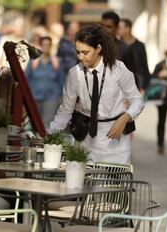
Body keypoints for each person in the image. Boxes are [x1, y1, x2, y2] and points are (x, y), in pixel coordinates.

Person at [49, 25, 144, 164]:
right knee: (85, 185)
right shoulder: (74, 74)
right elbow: (65, 111)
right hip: (85, 142)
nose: (80, 57)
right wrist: (50, 135)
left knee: (115, 185)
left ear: (98, 48)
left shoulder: (118, 69)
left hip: (116, 141)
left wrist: (125, 118)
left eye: (85, 52)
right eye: (78, 52)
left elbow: (137, 101)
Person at [25, 36, 65, 128]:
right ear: (41, 46)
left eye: (48, 45)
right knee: (34, 124)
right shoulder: (34, 61)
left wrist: (61, 97)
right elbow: (25, 78)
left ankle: (45, 142)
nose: (46, 47)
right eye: (44, 45)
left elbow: (61, 80)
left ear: (51, 46)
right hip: (34, 97)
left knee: (47, 124)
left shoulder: (56, 62)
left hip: (51, 98)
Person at [101, 11, 139, 88]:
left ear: (116, 27)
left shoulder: (124, 49)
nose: (104, 29)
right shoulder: (94, 46)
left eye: (108, 26)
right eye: (102, 26)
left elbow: (132, 75)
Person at [118, 18, 151, 91]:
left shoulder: (140, 46)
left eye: (119, 28)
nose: (117, 30)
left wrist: (144, 87)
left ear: (127, 29)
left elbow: (144, 67)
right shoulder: (116, 46)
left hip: (137, 85)